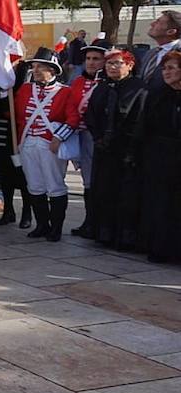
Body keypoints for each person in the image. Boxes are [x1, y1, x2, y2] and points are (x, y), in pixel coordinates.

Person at [14, 48, 78, 241]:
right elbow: (16, 114)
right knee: (34, 186)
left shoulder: (65, 92)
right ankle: (42, 224)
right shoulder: (25, 89)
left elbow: (73, 119)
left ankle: (56, 228)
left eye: (40, 67)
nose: (35, 70)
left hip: (50, 144)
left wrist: (59, 137)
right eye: (34, 66)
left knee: (55, 186)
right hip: (27, 143)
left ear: (53, 70)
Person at [85, 48, 146, 250]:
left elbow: (139, 119)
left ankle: (126, 237)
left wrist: (131, 148)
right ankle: (103, 232)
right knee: (103, 191)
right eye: (109, 63)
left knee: (126, 195)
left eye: (117, 63)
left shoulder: (139, 88)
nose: (112, 67)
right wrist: (98, 137)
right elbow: (91, 114)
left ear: (129, 65)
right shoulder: (102, 87)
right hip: (104, 148)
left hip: (127, 149)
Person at [135, 50, 181, 263]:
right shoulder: (159, 95)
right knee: (160, 204)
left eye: (172, 68)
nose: (166, 72)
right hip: (160, 158)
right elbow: (146, 126)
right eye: (164, 68)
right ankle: (161, 248)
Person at [66, 35, 107, 238]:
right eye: (88, 58)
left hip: (100, 138)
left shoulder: (107, 83)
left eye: (96, 59)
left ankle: (101, 224)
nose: (90, 62)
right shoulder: (77, 82)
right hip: (81, 135)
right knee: (87, 181)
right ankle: (89, 221)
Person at [139, 9, 181, 90]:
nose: (152, 24)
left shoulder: (179, 52)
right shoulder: (150, 53)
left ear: (171, 31)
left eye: (158, 22)